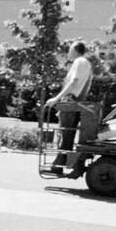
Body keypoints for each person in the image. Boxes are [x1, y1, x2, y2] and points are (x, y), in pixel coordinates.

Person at [45, 42, 93, 174]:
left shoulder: (79, 61)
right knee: (68, 135)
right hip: (76, 101)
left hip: (71, 101)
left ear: (76, 50)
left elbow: (74, 81)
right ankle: (59, 164)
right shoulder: (85, 63)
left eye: (70, 50)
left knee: (66, 134)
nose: (68, 53)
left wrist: (56, 98)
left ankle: (58, 166)